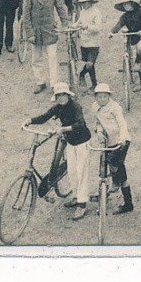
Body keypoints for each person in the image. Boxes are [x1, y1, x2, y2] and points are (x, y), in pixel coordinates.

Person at [27, 81, 92, 221]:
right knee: (72, 171)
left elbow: (80, 124)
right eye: (59, 95)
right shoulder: (58, 108)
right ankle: (76, 196)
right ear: (56, 97)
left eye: (63, 94)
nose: (61, 97)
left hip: (82, 142)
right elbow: (44, 117)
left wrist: (63, 129)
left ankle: (82, 204)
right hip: (70, 142)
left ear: (68, 95)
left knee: (82, 172)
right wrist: (29, 120)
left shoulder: (75, 106)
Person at [22, 0, 70, 93]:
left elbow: (60, 8)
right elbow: (26, 16)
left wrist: (65, 23)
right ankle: (40, 82)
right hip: (36, 32)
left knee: (52, 57)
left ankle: (54, 84)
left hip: (50, 30)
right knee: (36, 59)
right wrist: (30, 33)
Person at [90, 83, 134, 214]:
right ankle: (104, 199)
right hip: (107, 143)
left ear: (109, 96)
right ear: (96, 97)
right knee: (103, 170)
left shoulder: (115, 107)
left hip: (121, 142)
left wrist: (122, 138)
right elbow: (98, 122)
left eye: (105, 96)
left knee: (115, 165)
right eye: (99, 96)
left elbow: (122, 123)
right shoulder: (95, 107)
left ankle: (126, 201)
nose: (102, 99)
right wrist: (98, 131)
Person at [109, 0, 141, 91]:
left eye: (128, 3)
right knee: (130, 53)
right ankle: (139, 80)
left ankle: (137, 65)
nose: (126, 6)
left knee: (140, 48)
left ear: (132, 4)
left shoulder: (140, 12)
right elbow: (119, 25)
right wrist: (112, 32)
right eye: (124, 4)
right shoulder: (124, 16)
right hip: (132, 38)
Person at [77, 0, 102, 92]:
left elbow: (98, 28)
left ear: (90, 1)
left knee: (90, 63)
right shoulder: (82, 12)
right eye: (82, 2)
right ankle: (94, 84)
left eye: (86, 2)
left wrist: (87, 27)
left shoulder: (96, 12)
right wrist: (73, 26)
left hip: (94, 43)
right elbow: (79, 22)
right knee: (89, 64)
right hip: (84, 43)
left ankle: (81, 75)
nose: (84, 4)